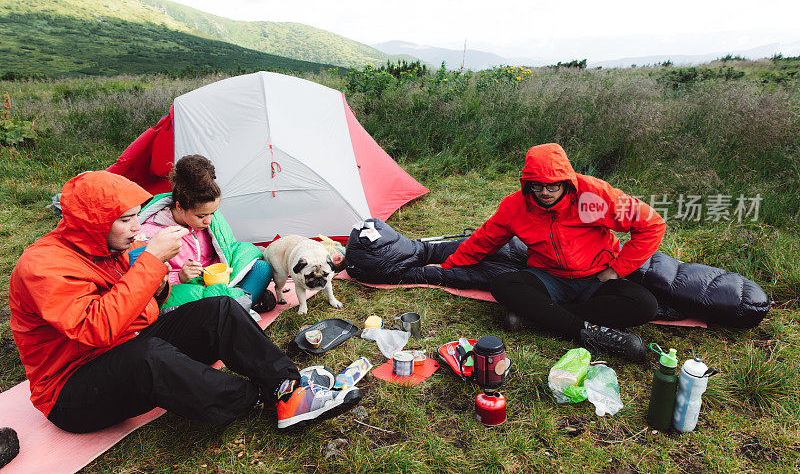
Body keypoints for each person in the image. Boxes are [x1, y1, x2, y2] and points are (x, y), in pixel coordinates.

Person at [8, 171, 361, 433]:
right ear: (94, 224)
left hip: (126, 345)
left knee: (220, 310)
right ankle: (259, 399)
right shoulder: (44, 267)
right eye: (126, 220)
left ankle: (288, 384)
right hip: (73, 390)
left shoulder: (108, 246)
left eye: (136, 217)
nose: (136, 229)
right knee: (149, 358)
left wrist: (159, 281)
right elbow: (96, 329)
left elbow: (140, 306)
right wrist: (149, 263)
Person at [441, 143, 665, 361]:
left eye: (552, 186)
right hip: (548, 278)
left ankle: (538, 317)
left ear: (566, 181)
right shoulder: (515, 206)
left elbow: (652, 224)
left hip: (597, 277)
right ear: (527, 183)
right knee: (502, 285)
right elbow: (484, 240)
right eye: (537, 185)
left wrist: (616, 270)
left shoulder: (593, 195)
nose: (544, 192)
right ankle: (583, 330)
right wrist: (447, 266)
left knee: (645, 305)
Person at [139, 154, 275, 314]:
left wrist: (222, 269)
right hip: (185, 289)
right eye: (201, 216)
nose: (209, 221)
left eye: (213, 213)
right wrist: (180, 278)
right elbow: (148, 282)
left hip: (216, 280)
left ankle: (235, 308)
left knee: (261, 268)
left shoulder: (210, 218)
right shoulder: (150, 233)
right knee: (185, 299)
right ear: (180, 207)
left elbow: (228, 248)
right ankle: (241, 305)